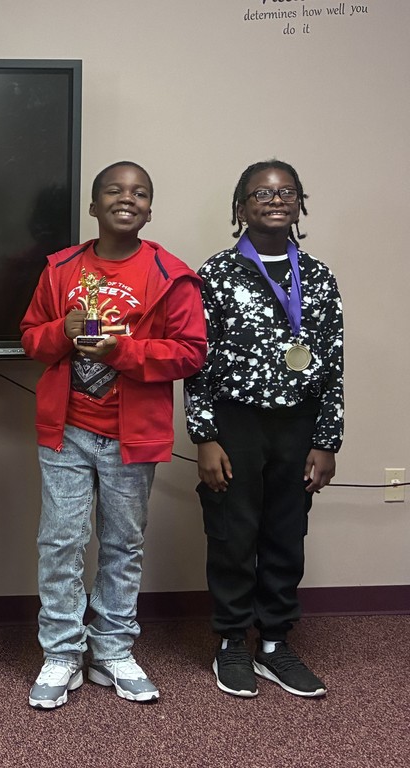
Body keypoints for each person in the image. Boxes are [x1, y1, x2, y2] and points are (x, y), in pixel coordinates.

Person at [20, 161, 207, 709]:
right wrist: (63, 331)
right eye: (114, 191)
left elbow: (190, 353)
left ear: (150, 208)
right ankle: (61, 652)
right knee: (60, 542)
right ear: (93, 206)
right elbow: (32, 338)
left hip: (133, 435)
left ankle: (113, 650)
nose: (128, 199)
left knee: (123, 545)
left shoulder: (172, 274)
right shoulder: (60, 269)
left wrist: (122, 351)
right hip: (67, 430)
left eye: (140, 193)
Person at [185, 160, 343, 699]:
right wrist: (205, 435)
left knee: (285, 532)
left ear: (300, 204)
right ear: (240, 207)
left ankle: (274, 642)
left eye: (287, 192)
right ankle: (231, 639)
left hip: (298, 424)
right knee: (232, 531)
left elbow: (332, 364)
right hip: (235, 422)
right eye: (261, 193)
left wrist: (326, 440)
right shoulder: (215, 274)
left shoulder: (318, 276)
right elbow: (197, 361)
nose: (275, 200)